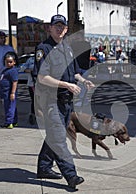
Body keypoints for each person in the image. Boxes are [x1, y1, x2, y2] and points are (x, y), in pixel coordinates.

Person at [34, 14, 94, 189]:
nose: (60, 29)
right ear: (50, 28)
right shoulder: (43, 49)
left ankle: (44, 167)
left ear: (66, 29)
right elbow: (42, 77)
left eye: (62, 26)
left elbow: (73, 71)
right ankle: (71, 175)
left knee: (55, 135)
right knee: (60, 139)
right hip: (51, 100)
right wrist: (65, 84)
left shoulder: (67, 47)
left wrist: (83, 81)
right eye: (56, 26)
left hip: (66, 101)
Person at [0, 52, 18, 129]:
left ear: (14, 62)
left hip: (9, 92)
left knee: (9, 107)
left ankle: (9, 122)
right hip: (5, 92)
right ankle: (14, 121)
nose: (8, 63)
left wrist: (12, 93)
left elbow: (15, 82)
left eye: (10, 62)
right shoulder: (6, 70)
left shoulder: (13, 71)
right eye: (7, 62)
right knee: (11, 107)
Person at [23, 55, 36, 125]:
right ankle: (33, 115)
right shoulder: (31, 59)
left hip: (43, 83)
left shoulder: (46, 57)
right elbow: (24, 68)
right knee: (34, 100)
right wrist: (31, 70)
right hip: (32, 83)